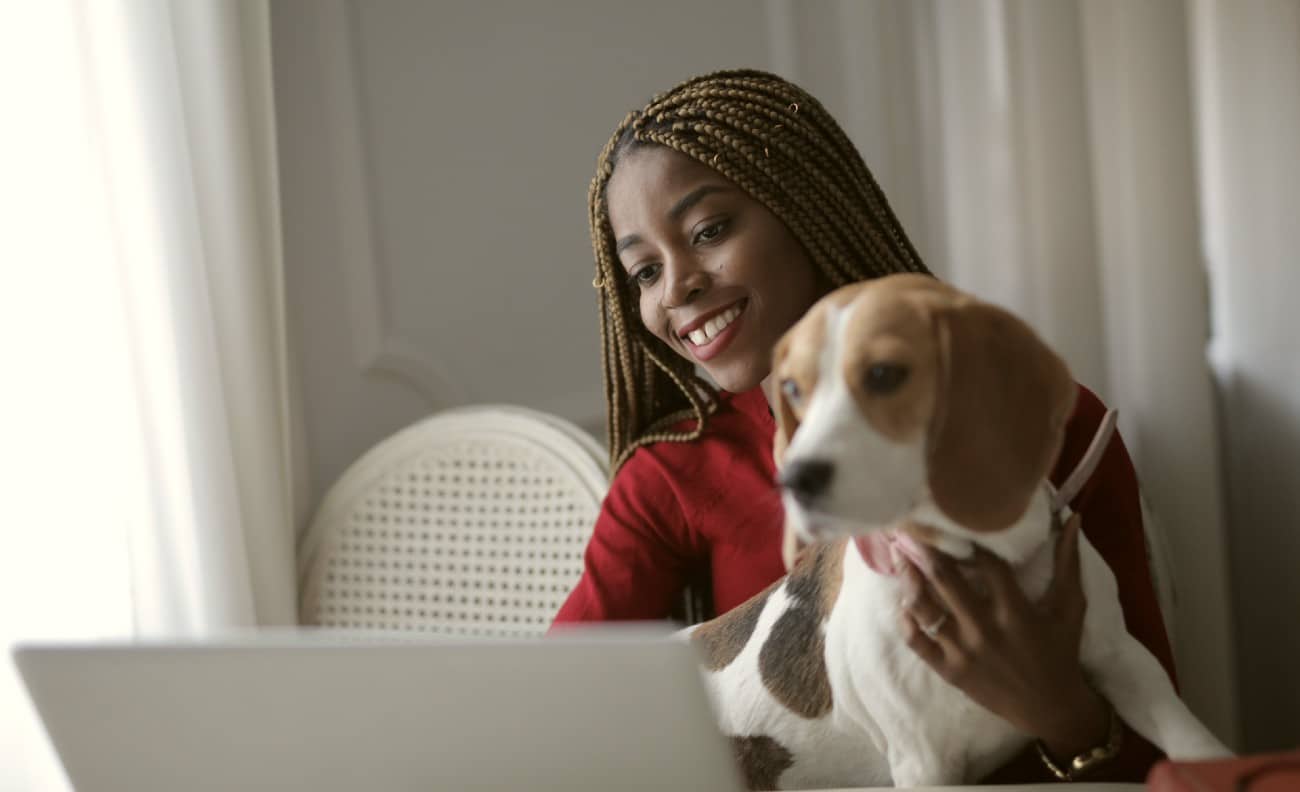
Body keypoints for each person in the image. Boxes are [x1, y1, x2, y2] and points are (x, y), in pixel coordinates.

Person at [553, 68, 1176, 784]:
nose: (678, 285)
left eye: (710, 229)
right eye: (643, 273)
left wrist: (1060, 713)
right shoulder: (670, 477)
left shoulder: (1046, 423)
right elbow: (555, 703)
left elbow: (1158, 755)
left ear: (804, 206)